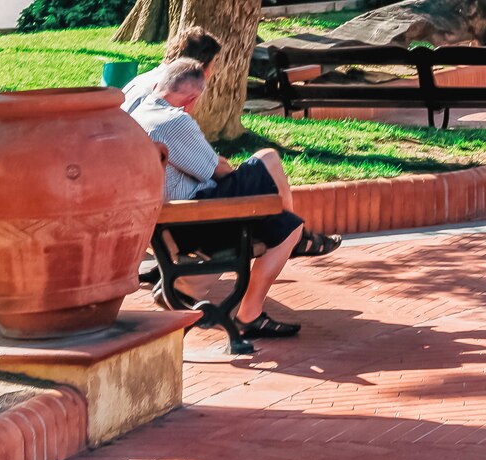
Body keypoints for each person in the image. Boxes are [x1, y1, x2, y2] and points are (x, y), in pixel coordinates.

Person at [129, 61, 339, 340]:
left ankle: (291, 239)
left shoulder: (139, 113)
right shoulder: (174, 120)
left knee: (279, 205)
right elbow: (219, 170)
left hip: (167, 223)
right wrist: (224, 164)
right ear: (192, 99)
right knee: (270, 165)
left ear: (159, 85)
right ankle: (251, 312)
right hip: (194, 220)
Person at [121, 26, 223, 114]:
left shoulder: (144, 78)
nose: (213, 71)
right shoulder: (173, 91)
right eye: (214, 64)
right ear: (199, 66)